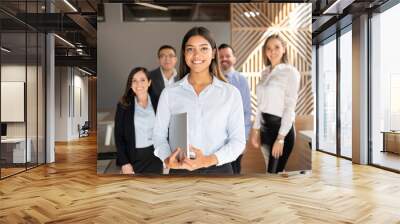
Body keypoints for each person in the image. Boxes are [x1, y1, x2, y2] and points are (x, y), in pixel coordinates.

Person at [153, 27, 246, 174]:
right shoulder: (170, 93)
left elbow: (238, 142)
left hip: (219, 172)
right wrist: (166, 159)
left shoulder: (230, 93)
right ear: (184, 54)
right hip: (180, 171)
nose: (197, 55)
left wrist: (208, 160)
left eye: (203, 48)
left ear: (214, 53)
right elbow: (159, 136)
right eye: (190, 49)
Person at [249, 34, 300, 174]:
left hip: (281, 129)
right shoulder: (265, 73)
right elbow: (260, 105)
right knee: (273, 171)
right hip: (265, 130)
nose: (273, 51)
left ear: (284, 49)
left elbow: (290, 106)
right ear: (265, 52)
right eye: (269, 48)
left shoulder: (291, 72)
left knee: (273, 174)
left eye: (277, 47)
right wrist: (255, 130)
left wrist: (281, 138)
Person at [114, 67, 163, 174]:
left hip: (156, 156)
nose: (138, 84)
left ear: (149, 82)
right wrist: (124, 162)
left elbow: (166, 129)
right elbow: (118, 136)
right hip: (133, 157)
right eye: (134, 81)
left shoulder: (159, 102)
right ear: (130, 84)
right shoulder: (123, 105)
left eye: (142, 80)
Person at [218, 43, 251, 174]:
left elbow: (246, 111)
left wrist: (244, 139)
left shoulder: (241, 80)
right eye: (220, 56)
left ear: (234, 59)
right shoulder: (212, 80)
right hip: (217, 140)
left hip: (235, 138)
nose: (224, 59)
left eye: (227, 56)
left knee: (235, 172)